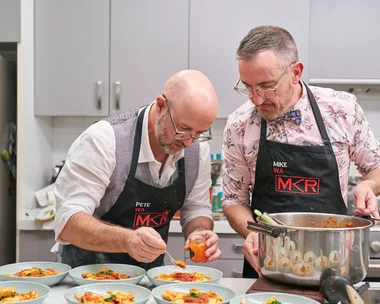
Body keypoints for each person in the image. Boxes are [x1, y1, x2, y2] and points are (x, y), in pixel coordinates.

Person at [222, 25, 380, 278]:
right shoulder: (240, 125)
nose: (257, 99)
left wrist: (368, 186)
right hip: (268, 263)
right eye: (249, 87)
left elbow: (375, 169)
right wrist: (253, 234)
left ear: (296, 72)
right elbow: (233, 202)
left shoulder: (342, 110)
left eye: (266, 86)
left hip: (333, 258)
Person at [52, 69, 222, 269]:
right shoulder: (105, 140)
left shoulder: (197, 149)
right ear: (160, 106)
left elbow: (196, 208)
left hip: (149, 278)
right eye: (182, 129)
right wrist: (126, 240)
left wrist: (199, 232)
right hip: (88, 277)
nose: (189, 142)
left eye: (200, 133)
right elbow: (68, 223)